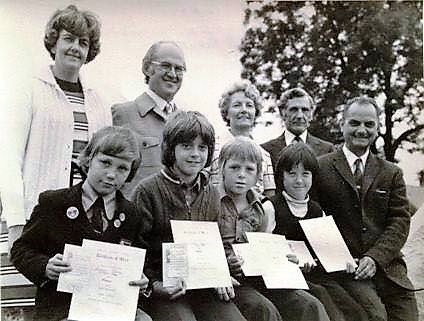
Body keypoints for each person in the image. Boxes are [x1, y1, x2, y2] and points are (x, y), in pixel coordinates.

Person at [0, 5, 112, 250]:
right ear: (53, 44)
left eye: (83, 42)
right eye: (68, 39)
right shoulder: (28, 89)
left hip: (86, 217)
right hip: (38, 216)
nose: (75, 47)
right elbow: (9, 159)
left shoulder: (99, 101)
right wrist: (16, 219)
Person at [11, 126, 152, 321]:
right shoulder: (54, 203)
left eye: (122, 168)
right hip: (63, 307)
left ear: (130, 173)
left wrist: (144, 282)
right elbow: (20, 249)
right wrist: (45, 266)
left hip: (111, 308)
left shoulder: (131, 214)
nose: (112, 174)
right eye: (105, 163)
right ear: (88, 160)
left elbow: (140, 260)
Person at [134, 110, 247, 321]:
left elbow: (215, 245)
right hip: (164, 288)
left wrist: (221, 272)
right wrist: (155, 286)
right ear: (170, 149)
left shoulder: (212, 193)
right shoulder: (147, 191)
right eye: (187, 146)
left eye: (202, 147)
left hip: (203, 285)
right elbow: (136, 249)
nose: (195, 154)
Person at [316, 96, 419, 321]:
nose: (362, 130)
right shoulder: (321, 167)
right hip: (345, 271)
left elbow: (400, 222)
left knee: (408, 316)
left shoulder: (391, 172)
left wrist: (375, 258)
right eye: (354, 123)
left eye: (369, 124)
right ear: (341, 125)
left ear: (378, 128)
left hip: (388, 269)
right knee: (375, 317)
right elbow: (313, 220)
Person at [271, 142, 369, 321]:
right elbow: (262, 250)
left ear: (313, 177)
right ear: (281, 177)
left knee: (355, 310)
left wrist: (344, 262)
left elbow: (328, 250)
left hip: (315, 275)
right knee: (323, 306)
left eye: (305, 174)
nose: (299, 180)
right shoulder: (271, 207)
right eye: (292, 173)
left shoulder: (316, 210)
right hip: (285, 280)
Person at [216, 137, 282, 321]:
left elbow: (264, 246)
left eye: (249, 169)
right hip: (220, 279)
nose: (241, 175)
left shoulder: (262, 208)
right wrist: (222, 265)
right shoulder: (209, 200)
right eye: (234, 167)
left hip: (252, 278)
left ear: (258, 174)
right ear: (222, 167)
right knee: (263, 309)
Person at [112, 41, 186, 199]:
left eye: (179, 69)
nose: (173, 74)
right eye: (165, 66)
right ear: (147, 68)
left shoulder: (185, 122)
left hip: (175, 218)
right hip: (133, 216)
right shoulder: (122, 114)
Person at [210, 80, 276, 199]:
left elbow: (269, 198)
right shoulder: (212, 146)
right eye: (237, 105)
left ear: (255, 112)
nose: (244, 110)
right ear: (227, 112)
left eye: (249, 105)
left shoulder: (264, 155)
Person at [261, 87, 334, 174]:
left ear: (311, 115)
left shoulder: (326, 150)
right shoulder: (266, 151)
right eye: (294, 110)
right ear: (282, 113)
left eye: (305, 110)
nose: (299, 115)